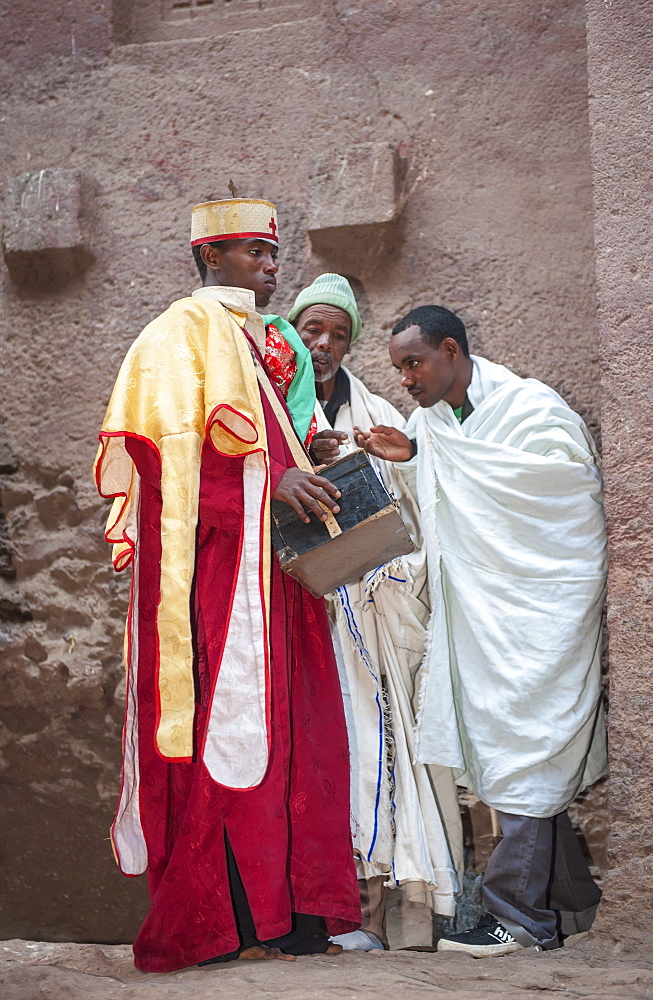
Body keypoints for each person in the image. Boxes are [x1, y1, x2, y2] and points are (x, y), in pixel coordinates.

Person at [94, 199, 361, 973]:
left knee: (292, 736)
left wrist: (306, 466)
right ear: (211, 257)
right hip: (210, 583)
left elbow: (265, 452)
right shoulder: (173, 336)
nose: (270, 268)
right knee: (224, 729)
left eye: (273, 254)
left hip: (273, 581)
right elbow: (164, 461)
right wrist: (269, 487)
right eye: (253, 253)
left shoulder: (260, 343)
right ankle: (224, 914)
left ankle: (289, 917)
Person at [354, 304, 607, 957]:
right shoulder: (428, 425)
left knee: (529, 745)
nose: (406, 379)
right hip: (478, 617)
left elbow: (562, 494)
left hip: (539, 611)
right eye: (398, 369)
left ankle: (518, 917)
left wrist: (438, 462)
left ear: (449, 350)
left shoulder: (531, 409)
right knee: (519, 753)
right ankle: (568, 907)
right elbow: (432, 509)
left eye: (413, 363)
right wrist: (411, 458)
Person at [287, 277, 464, 951]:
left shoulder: (373, 413)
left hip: (369, 615)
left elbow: (416, 516)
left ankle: (375, 916)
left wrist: (388, 566)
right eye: (312, 331)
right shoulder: (271, 410)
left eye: (337, 334)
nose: (324, 345)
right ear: (291, 335)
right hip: (300, 617)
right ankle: (317, 918)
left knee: (376, 753)